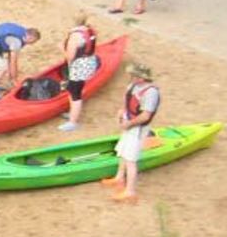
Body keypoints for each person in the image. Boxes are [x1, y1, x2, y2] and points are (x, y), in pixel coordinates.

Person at [105, 64, 160, 202]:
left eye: (134, 75)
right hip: (128, 123)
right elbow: (126, 100)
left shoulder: (151, 93)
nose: (131, 77)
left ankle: (130, 191)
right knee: (123, 152)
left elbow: (145, 116)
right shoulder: (133, 86)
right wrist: (121, 113)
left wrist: (128, 124)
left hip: (137, 128)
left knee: (131, 160)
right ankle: (119, 178)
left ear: (142, 78)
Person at [58, 13, 101, 132]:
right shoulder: (90, 30)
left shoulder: (75, 36)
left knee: (74, 92)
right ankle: (73, 113)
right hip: (89, 62)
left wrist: (61, 48)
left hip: (79, 66)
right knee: (76, 88)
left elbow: (70, 57)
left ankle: (73, 122)